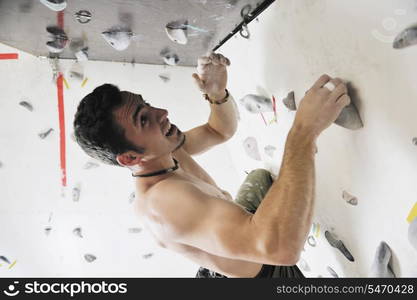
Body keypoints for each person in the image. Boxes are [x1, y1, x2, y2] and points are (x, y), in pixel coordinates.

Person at [73, 52, 350, 278]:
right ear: (130, 158)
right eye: (144, 119)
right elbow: (281, 249)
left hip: (235, 237)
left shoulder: (160, 152)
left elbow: (219, 130)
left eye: (148, 104)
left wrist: (217, 94)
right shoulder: (164, 203)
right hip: (264, 271)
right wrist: (303, 132)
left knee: (260, 178)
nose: (162, 113)